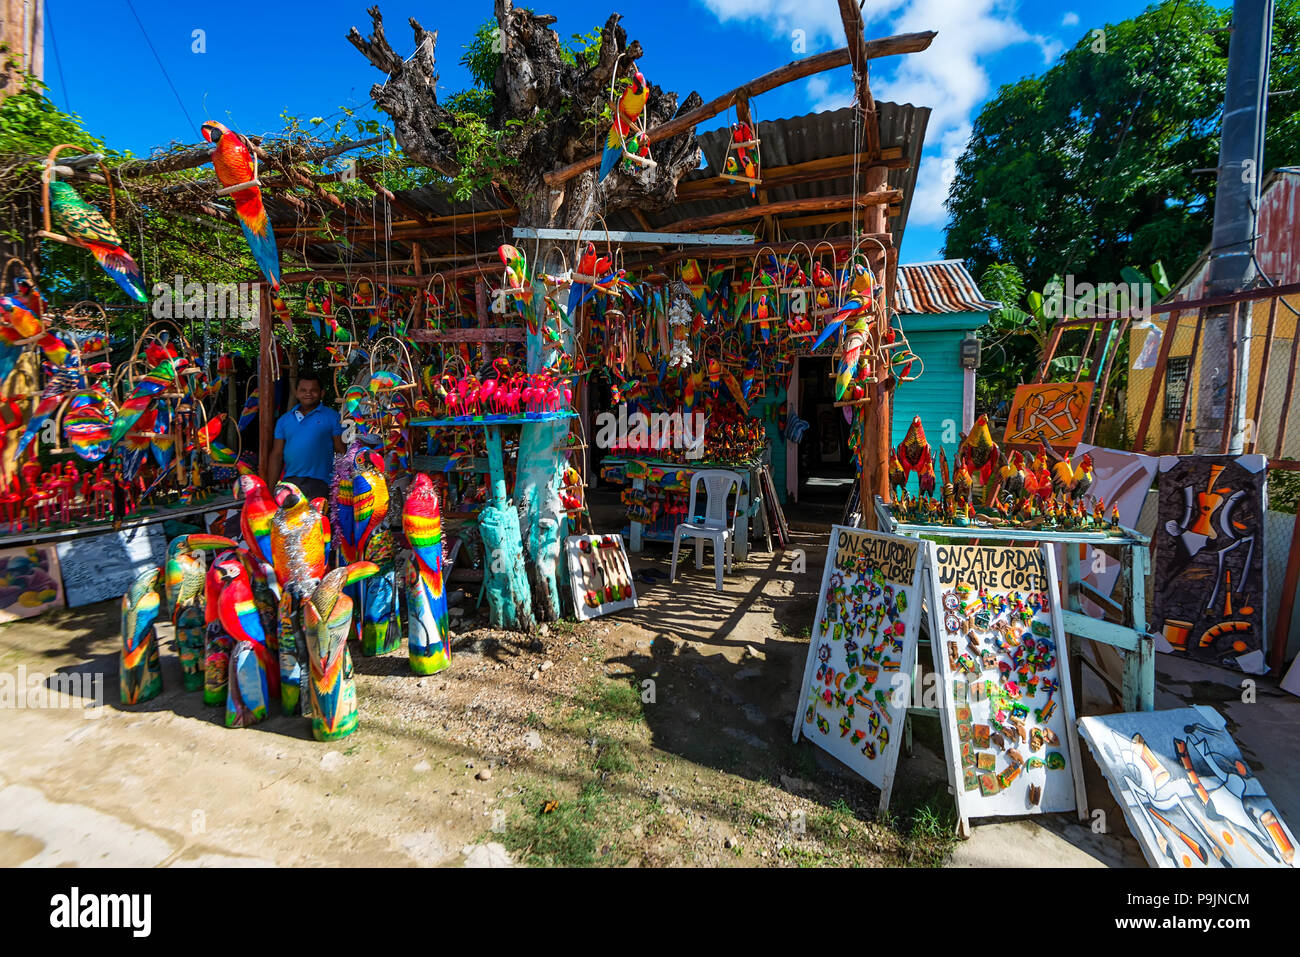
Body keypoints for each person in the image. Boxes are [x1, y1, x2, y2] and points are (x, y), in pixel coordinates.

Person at [267, 374, 345, 501]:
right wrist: (270, 489)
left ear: (322, 393)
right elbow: (277, 455)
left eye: (313, 390)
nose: (308, 394)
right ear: (296, 393)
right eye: (303, 390)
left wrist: (342, 483)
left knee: (315, 520)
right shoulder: (284, 420)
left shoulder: (333, 417)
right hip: (290, 482)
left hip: (320, 483)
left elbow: (341, 451)